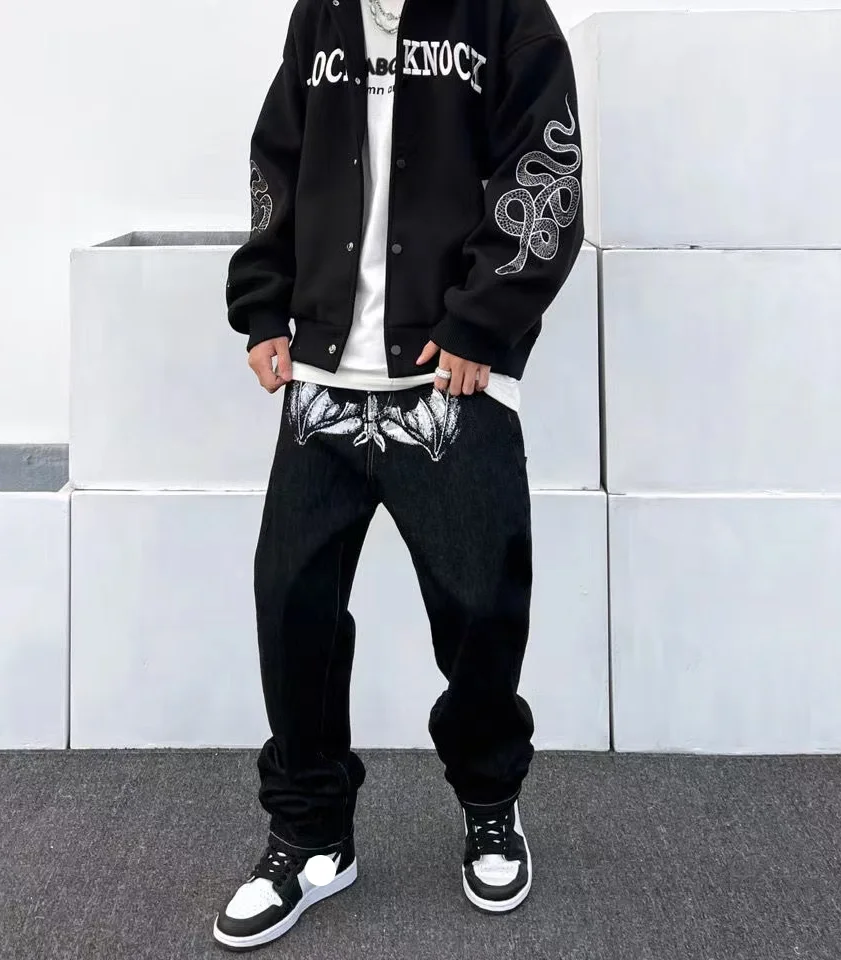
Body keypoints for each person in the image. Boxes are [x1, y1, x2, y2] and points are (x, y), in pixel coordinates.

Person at [215, 0, 583, 949]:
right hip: (323, 381)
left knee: (481, 610)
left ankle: (490, 803)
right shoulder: (320, 15)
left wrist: (480, 323)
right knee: (292, 607)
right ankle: (311, 836)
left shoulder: (506, 15)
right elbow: (277, 158)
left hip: (446, 380)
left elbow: (546, 172)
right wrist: (263, 306)